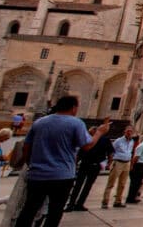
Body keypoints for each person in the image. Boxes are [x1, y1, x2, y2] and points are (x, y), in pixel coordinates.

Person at [15, 96, 111, 227]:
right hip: (62, 175)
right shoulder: (75, 123)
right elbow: (87, 145)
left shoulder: (40, 122)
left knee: (29, 209)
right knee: (55, 212)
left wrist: (31, 164)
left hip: (37, 174)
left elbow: (26, 147)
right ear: (73, 108)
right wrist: (99, 132)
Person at [65, 125, 112, 212]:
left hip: (94, 165)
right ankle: (72, 204)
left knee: (86, 186)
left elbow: (110, 153)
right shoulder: (88, 139)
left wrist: (108, 163)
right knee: (79, 185)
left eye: (90, 132)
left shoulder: (104, 140)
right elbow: (80, 153)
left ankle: (78, 204)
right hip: (86, 164)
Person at [101, 125, 135, 208]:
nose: (129, 133)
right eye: (128, 131)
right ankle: (105, 201)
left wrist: (131, 164)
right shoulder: (118, 141)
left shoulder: (132, 141)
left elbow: (131, 152)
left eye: (131, 131)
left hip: (127, 163)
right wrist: (110, 162)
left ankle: (118, 201)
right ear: (124, 132)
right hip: (118, 162)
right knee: (111, 182)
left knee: (122, 184)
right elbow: (111, 151)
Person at [127, 135, 143, 203]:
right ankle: (130, 198)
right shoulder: (142, 146)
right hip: (138, 166)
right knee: (135, 183)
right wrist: (132, 166)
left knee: (138, 183)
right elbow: (136, 157)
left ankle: (134, 197)